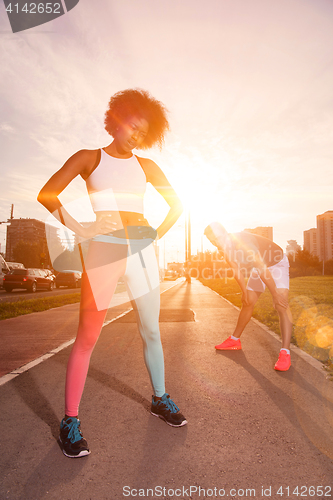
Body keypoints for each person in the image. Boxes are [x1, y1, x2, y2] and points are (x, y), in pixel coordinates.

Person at [38, 89, 187, 458]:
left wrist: (154, 234)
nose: (136, 135)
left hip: (141, 251)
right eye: (133, 126)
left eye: (143, 132)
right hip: (103, 249)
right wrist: (81, 228)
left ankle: (159, 399)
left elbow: (176, 205)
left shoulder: (147, 167)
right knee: (88, 337)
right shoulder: (90, 158)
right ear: (117, 119)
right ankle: (69, 421)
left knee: (151, 328)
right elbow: (48, 193)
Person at [204, 222, 292, 371]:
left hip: (277, 264)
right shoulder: (223, 248)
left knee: (281, 305)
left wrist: (275, 293)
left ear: (225, 232)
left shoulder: (242, 241)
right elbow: (235, 269)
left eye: (217, 238)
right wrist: (244, 292)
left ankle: (285, 352)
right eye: (212, 241)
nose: (216, 242)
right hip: (260, 268)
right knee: (248, 302)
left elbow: (261, 267)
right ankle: (234, 340)